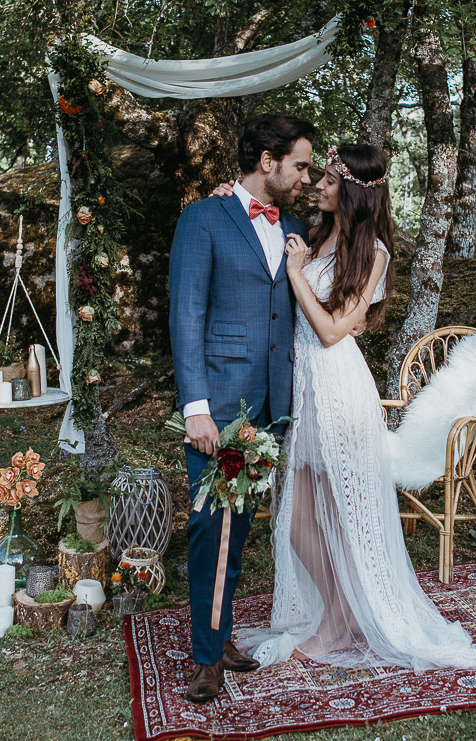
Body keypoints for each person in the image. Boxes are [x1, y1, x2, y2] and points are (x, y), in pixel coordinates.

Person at [225, 144, 476, 673]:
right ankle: (338, 608)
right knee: (296, 517)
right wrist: (229, 196)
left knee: (343, 514)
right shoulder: (316, 234)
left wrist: (298, 273)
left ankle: (339, 622)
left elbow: (333, 331)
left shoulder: (374, 253)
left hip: (338, 388)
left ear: (352, 192)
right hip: (302, 387)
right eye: (321, 177)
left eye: (330, 180)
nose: (318, 185)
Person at [168, 113, 315, 703]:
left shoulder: (295, 227)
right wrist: (195, 407)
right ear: (267, 161)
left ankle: (219, 634)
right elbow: (186, 314)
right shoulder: (203, 218)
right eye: (300, 165)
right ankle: (207, 659)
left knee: (240, 527)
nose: (305, 177)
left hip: (272, 406)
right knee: (211, 528)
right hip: (221, 405)